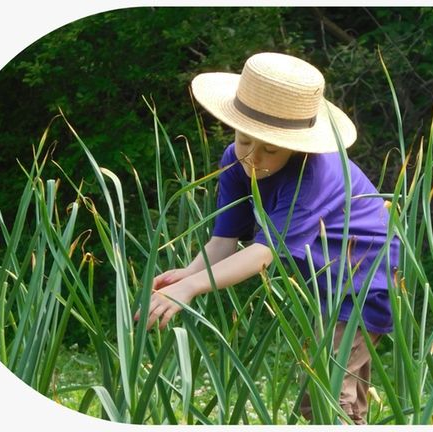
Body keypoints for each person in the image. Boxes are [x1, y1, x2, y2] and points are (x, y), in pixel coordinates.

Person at [136, 52, 400, 425]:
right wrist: (187, 275)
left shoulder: (313, 174)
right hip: (319, 281)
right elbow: (223, 241)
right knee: (334, 388)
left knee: (328, 391)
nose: (253, 158)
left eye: (271, 149)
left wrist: (194, 287)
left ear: (298, 144)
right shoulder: (234, 161)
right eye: (245, 141)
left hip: (361, 282)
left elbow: (262, 255)